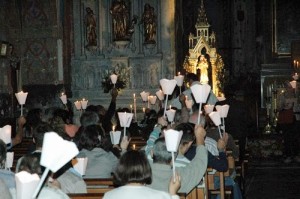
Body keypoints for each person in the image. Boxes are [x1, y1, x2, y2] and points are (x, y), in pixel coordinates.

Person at [148, 125, 207, 194]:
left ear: (152, 153)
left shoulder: (140, 173)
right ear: (174, 158)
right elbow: (200, 162)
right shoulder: (179, 177)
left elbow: (149, 145)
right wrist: (200, 137)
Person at [104, 150, 181, 199]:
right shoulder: (161, 196)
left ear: (120, 169)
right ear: (146, 168)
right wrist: (173, 194)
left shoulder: (109, 196)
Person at [277, 81, 298, 163]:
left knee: (295, 137)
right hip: (285, 118)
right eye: (289, 87)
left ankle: (296, 154)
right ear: (286, 88)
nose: (290, 89)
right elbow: (279, 107)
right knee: (287, 137)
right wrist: (284, 106)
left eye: (291, 88)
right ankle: (288, 155)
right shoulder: (282, 96)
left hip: (295, 118)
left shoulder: (296, 95)